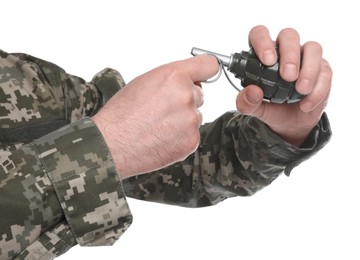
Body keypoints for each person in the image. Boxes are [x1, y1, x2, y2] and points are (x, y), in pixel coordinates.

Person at [0, 25, 332, 259]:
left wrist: (279, 131)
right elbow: (113, 142)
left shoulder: (23, 81)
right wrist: (104, 147)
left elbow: (191, 166)